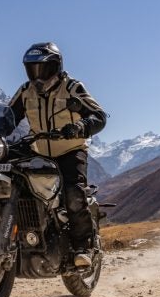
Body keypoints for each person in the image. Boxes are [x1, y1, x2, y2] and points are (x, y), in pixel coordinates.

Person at [8, 42, 107, 267]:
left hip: (71, 150)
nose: (38, 75)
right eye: (33, 69)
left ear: (56, 66)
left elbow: (99, 116)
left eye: (44, 69)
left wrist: (80, 127)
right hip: (38, 152)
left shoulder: (72, 87)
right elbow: (8, 117)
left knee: (73, 194)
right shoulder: (26, 91)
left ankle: (84, 247)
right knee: (14, 184)